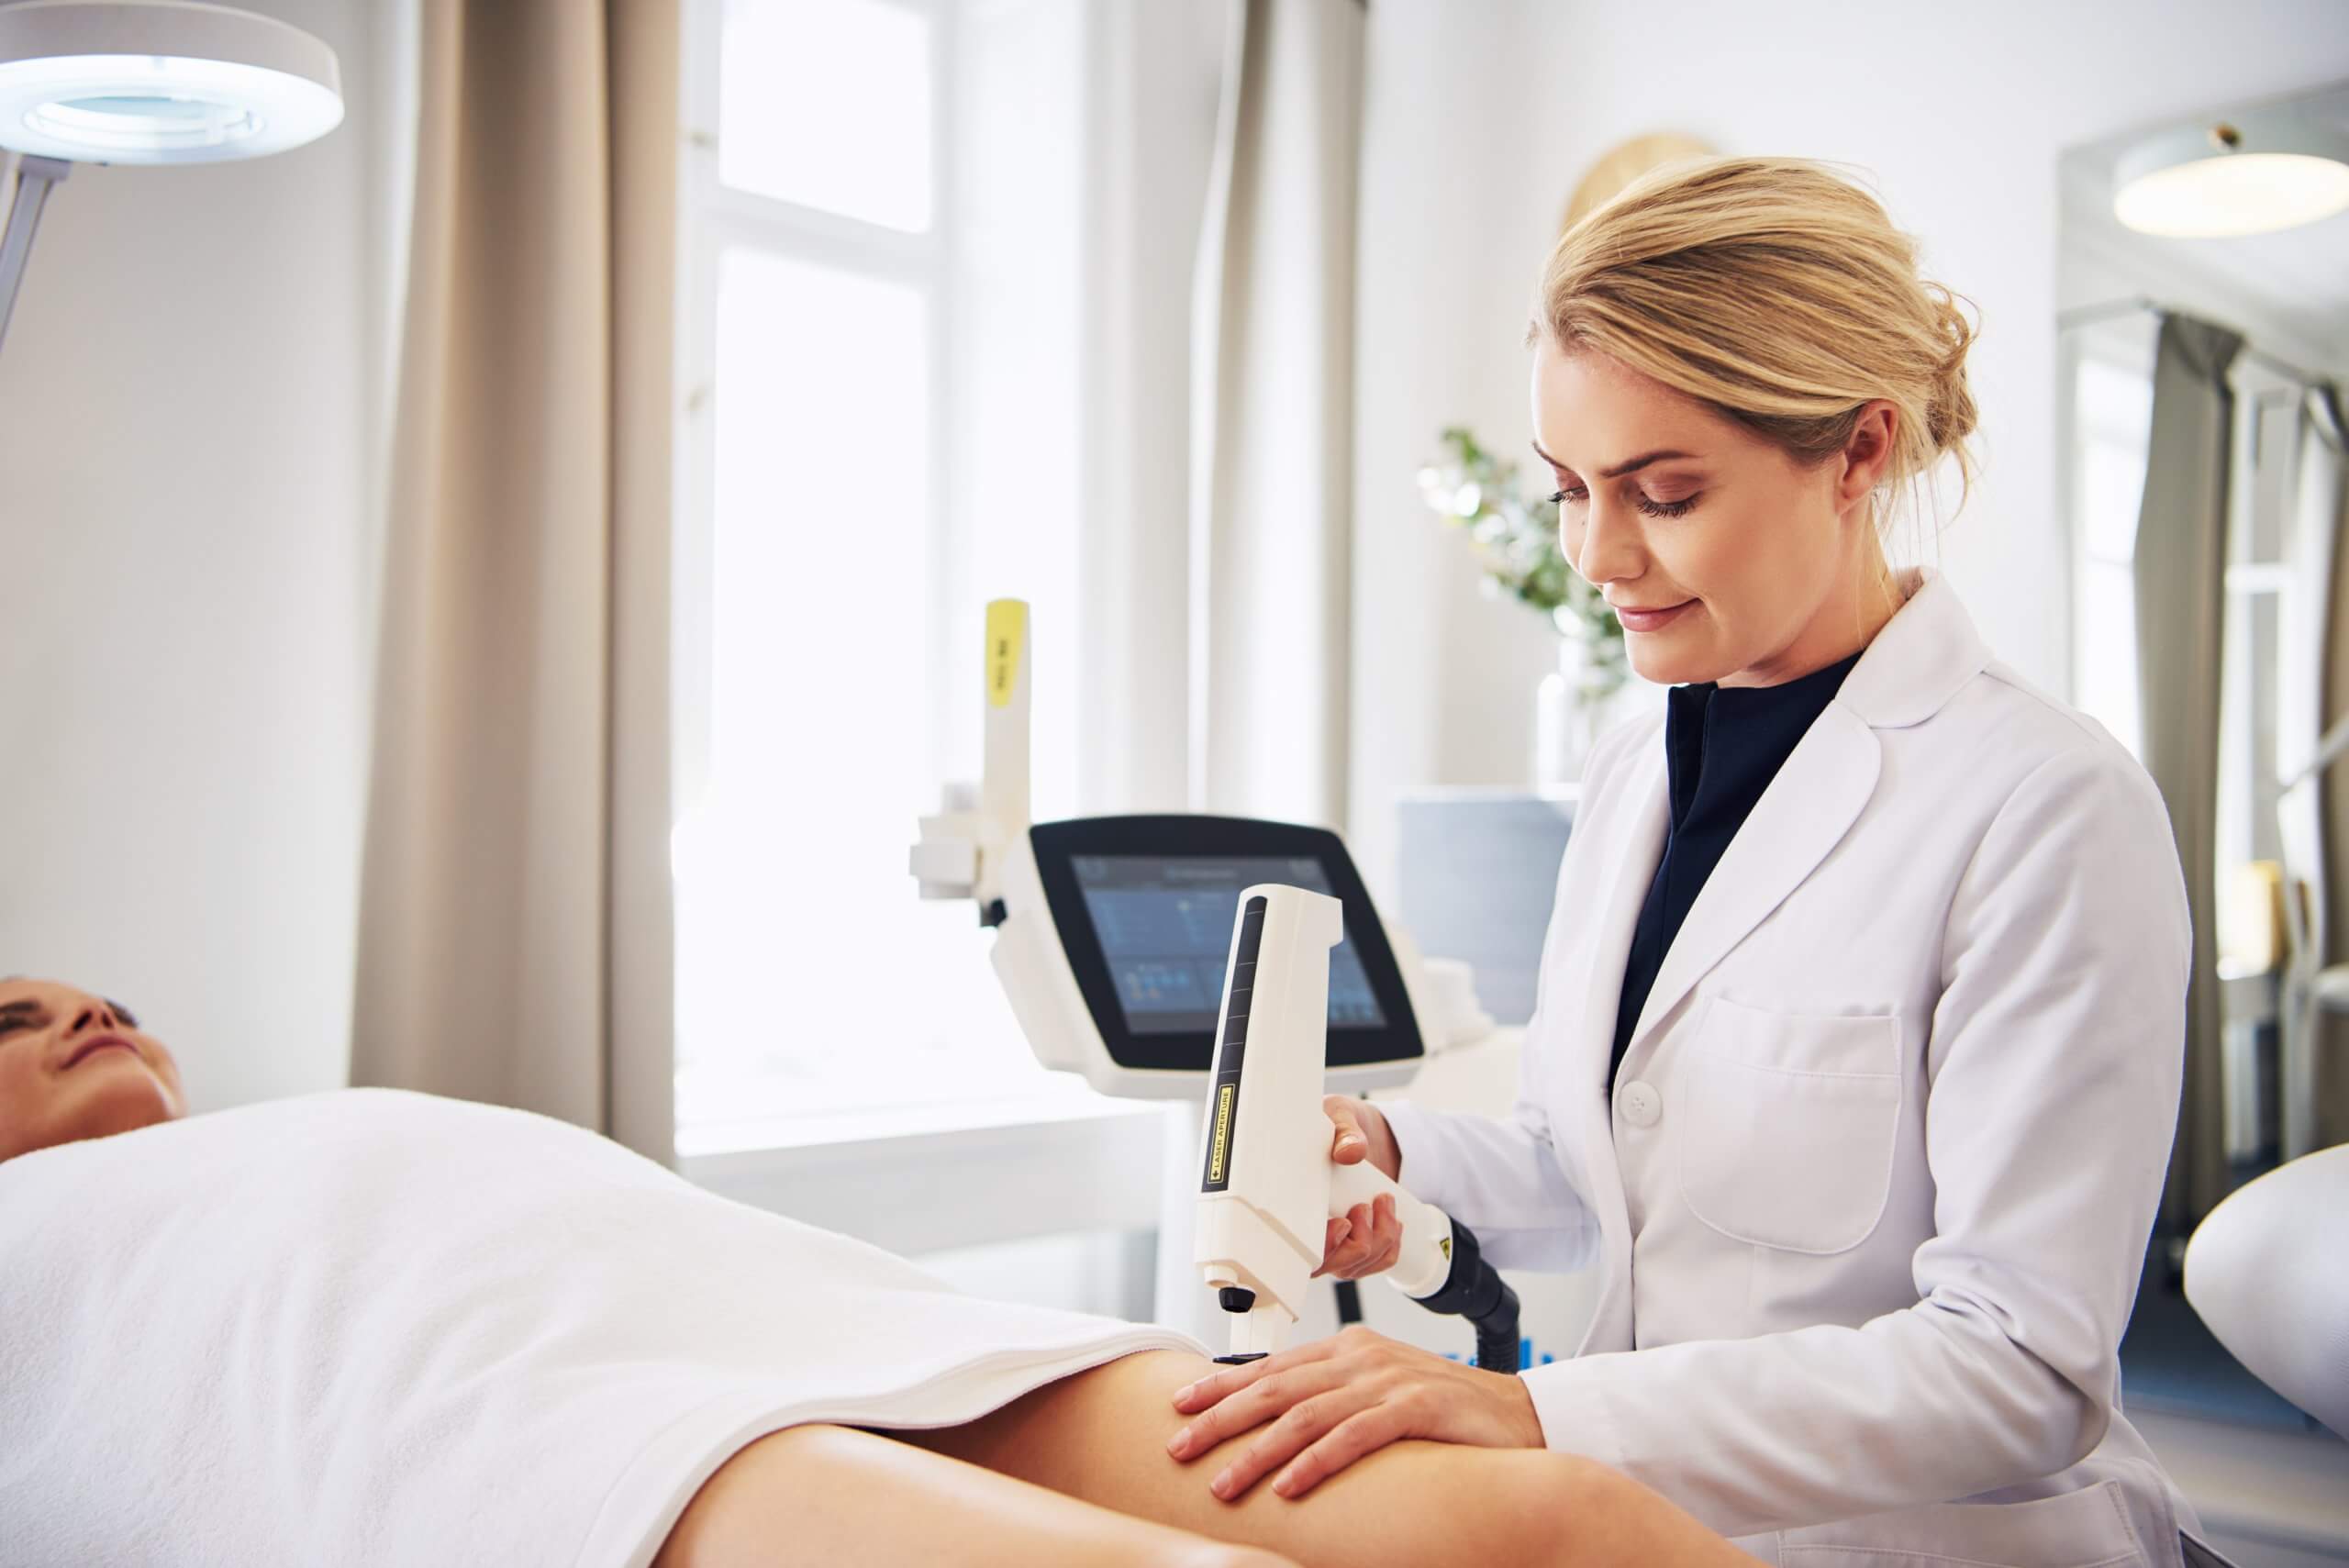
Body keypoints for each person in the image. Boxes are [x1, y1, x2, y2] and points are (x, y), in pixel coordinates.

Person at [1163, 156, 2210, 1565]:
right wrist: (1395, 1146)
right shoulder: (1633, 761)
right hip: (1645, 1530)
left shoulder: (2046, 807)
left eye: (1660, 492)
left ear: (1859, 450)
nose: (1598, 555)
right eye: (1566, 491)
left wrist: (1538, 1417)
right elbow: (1588, 1157)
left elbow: (2020, 1363)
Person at [0, 975, 1747, 1567]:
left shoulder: (272, 1124)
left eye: (98, 995)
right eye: (16, 1013)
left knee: (1553, 1522)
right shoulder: (66, 1251)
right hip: (553, 1410)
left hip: (833, 1322)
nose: (89, 1011)